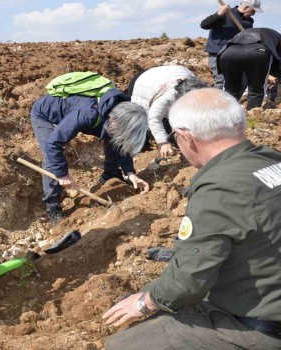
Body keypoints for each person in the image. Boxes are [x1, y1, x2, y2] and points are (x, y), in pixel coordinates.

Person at [103, 88, 281, 350]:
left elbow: (189, 282)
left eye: (176, 138)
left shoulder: (220, 189)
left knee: (122, 345)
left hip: (260, 328)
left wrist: (145, 302)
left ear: (187, 138)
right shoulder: (271, 160)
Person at [30, 86, 150, 224]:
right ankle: (53, 207)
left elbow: (119, 141)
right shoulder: (88, 113)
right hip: (45, 114)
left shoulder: (118, 112)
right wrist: (62, 175)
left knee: (112, 138)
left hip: (79, 115)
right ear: (114, 120)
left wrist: (130, 173)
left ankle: (110, 175)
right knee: (50, 156)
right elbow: (53, 144)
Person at [129, 65, 208, 158]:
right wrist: (163, 142)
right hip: (144, 81)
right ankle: (141, 146)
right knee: (142, 120)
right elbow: (154, 117)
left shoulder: (202, 92)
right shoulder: (169, 95)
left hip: (172, 72)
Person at [200, 0, 260, 89]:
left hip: (236, 55)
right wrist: (219, 14)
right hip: (218, 53)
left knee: (241, 80)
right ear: (246, 7)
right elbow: (204, 25)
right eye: (253, 11)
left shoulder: (249, 21)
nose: (254, 14)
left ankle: (234, 100)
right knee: (221, 81)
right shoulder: (225, 14)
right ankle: (220, 102)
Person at [217, 27, 281, 110]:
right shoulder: (277, 38)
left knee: (230, 90)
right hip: (258, 51)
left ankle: (225, 114)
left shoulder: (246, 32)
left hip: (227, 53)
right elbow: (278, 65)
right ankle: (252, 116)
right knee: (256, 90)